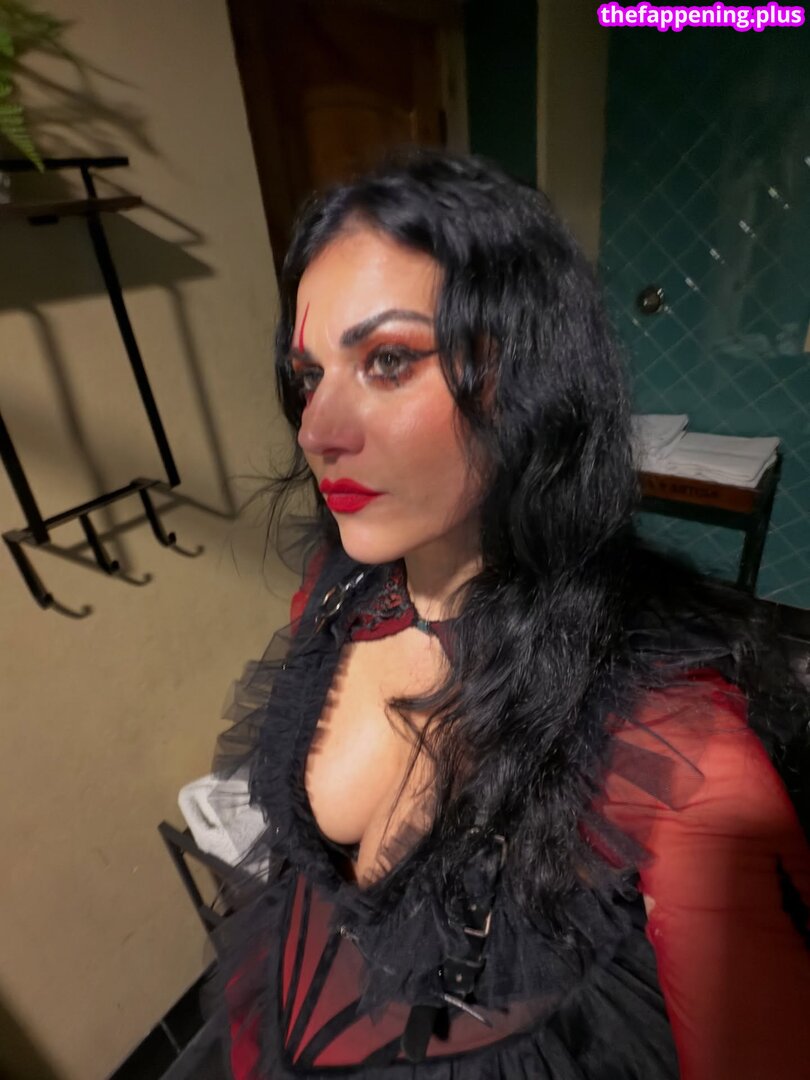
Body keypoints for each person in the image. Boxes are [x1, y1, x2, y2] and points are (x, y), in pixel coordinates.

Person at [210, 150, 810, 1079]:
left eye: (389, 360)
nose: (316, 429)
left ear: (528, 375)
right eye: (308, 375)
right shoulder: (339, 592)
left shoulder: (677, 745)